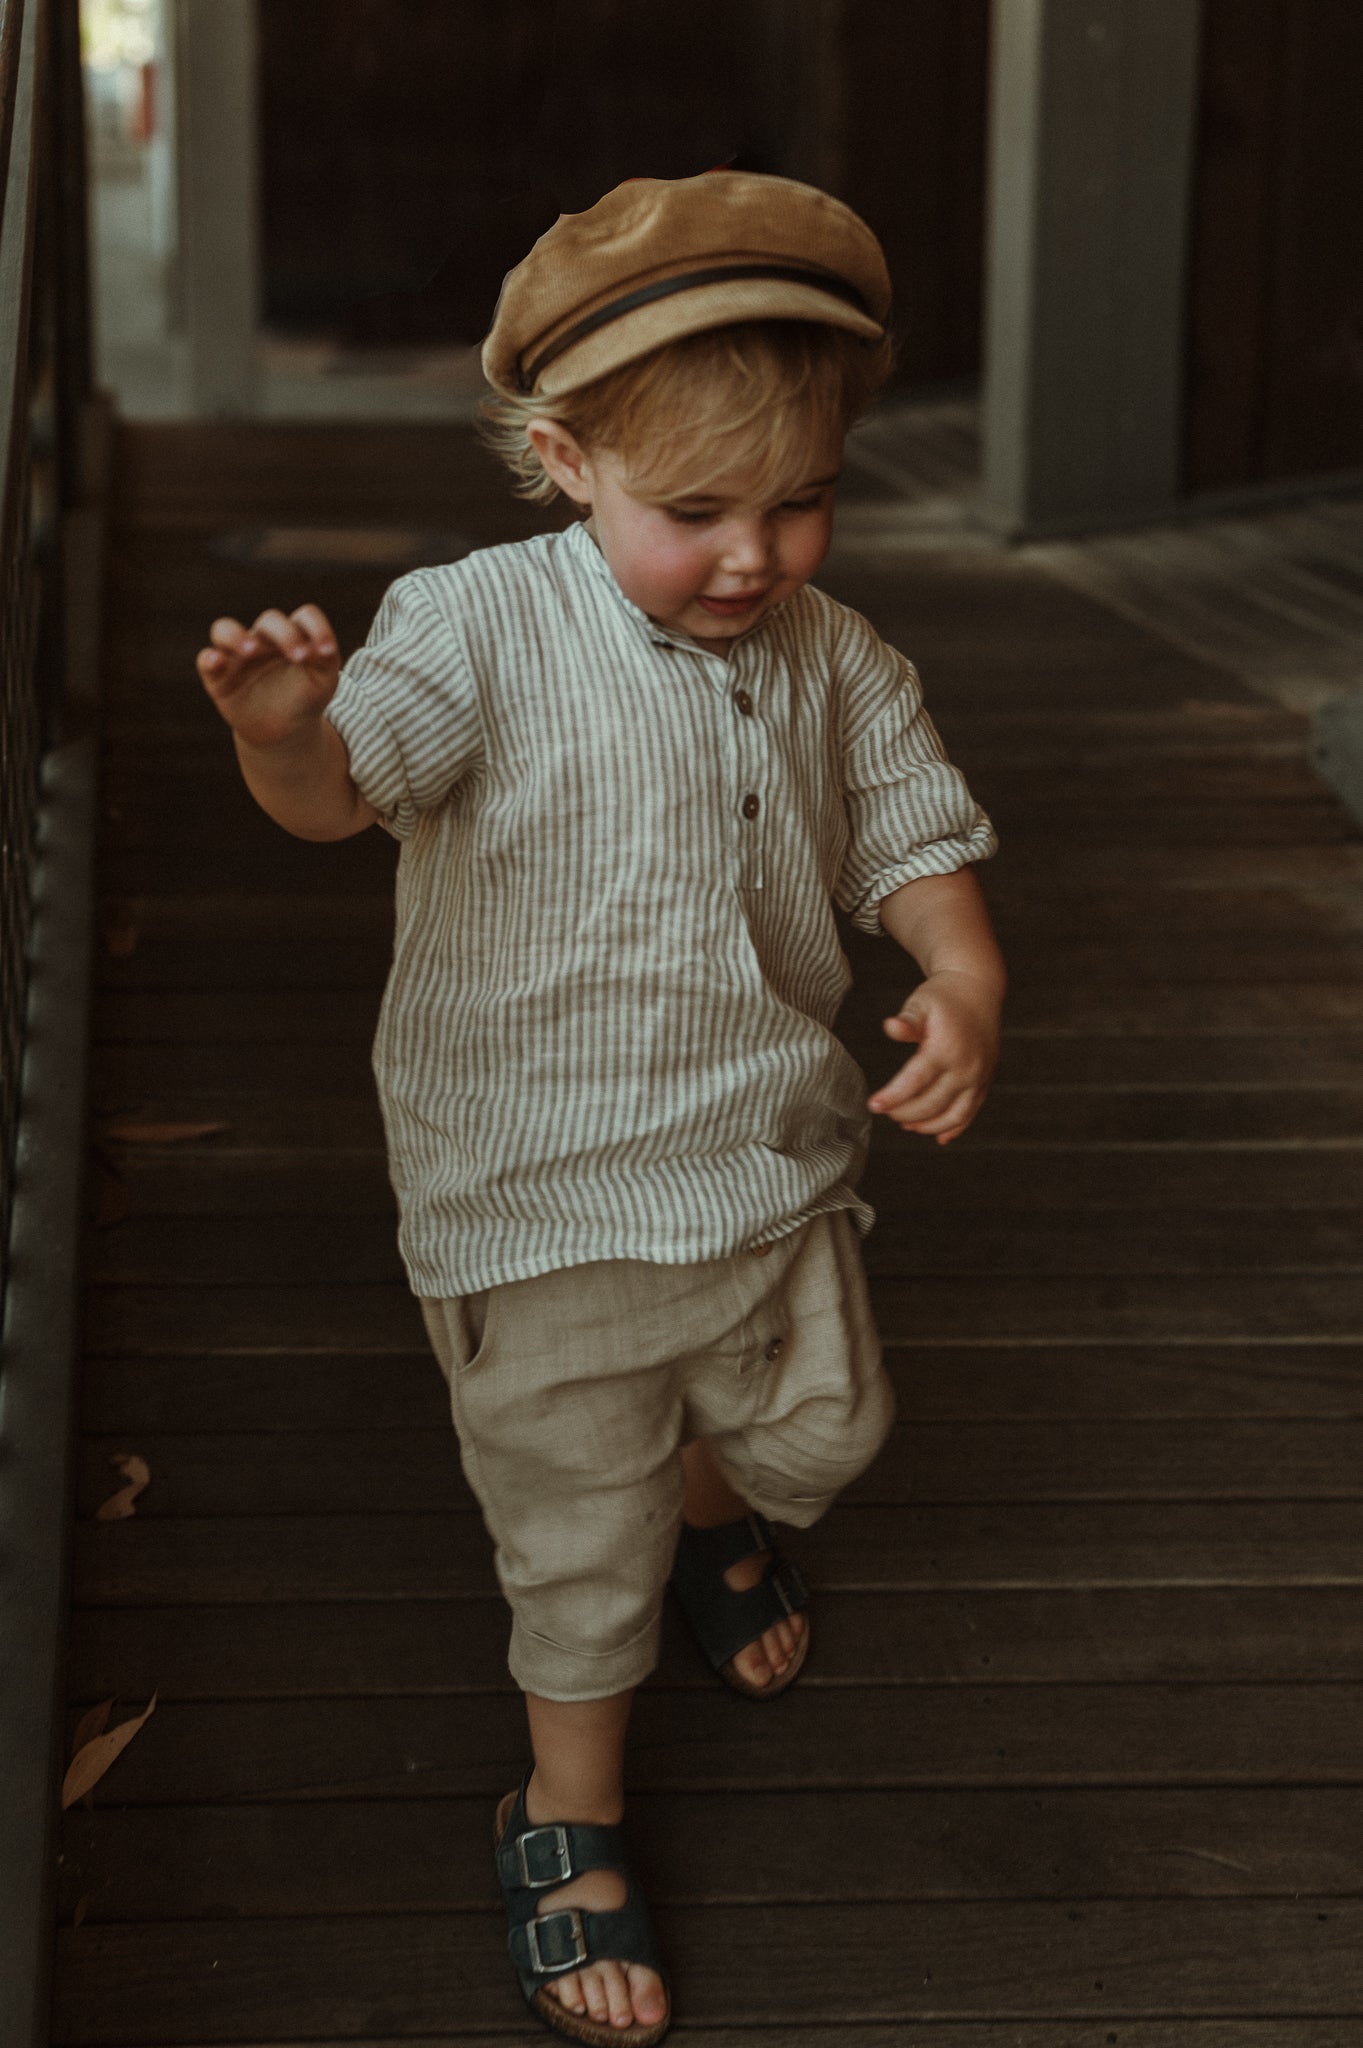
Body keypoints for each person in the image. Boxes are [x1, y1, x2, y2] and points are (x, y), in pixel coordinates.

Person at [196, 171, 1005, 2047]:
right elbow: (344, 799)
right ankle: (566, 1820)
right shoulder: (470, 626)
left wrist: (960, 978)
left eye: (800, 501)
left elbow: (913, 831)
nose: (755, 555)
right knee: (581, 1544)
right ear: (565, 461)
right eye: (695, 511)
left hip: (765, 1158)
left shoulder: (832, 654)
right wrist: (284, 737)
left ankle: (718, 1506)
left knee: (817, 1423)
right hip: (535, 1189)